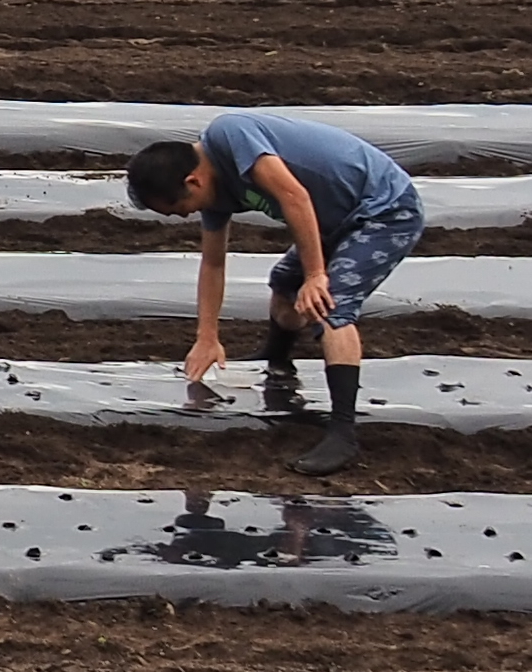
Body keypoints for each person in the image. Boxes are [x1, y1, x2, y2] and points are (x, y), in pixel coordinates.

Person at [123, 110, 428, 474]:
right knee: (284, 283)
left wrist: (316, 274)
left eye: (177, 209)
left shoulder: (230, 134)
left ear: (194, 182)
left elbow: (294, 195)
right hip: (333, 220)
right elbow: (213, 264)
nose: (183, 217)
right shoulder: (214, 193)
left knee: (331, 304)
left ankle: (343, 433)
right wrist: (207, 337)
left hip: (383, 209)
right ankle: (278, 360)